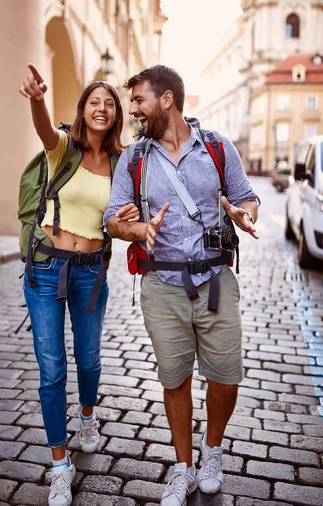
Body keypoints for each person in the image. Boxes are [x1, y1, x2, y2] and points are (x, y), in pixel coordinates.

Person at [104, 65, 260, 506]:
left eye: (138, 100)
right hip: (162, 284)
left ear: (166, 100)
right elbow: (111, 217)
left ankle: (213, 450)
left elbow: (247, 196)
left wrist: (244, 214)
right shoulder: (135, 158)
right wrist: (134, 230)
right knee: (174, 380)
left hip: (215, 280)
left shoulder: (216, 147)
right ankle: (182, 467)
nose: (131, 109)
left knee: (226, 379)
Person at [19, 64, 139, 506]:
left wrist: (132, 224)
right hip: (46, 269)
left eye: (110, 104)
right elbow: (44, 128)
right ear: (83, 109)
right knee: (51, 368)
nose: (102, 109)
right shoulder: (64, 148)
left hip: (91, 273)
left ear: (117, 114)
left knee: (88, 359)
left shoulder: (122, 162)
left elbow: (125, 215)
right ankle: (59, 466)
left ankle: (88, 417)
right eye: (95, 102)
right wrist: (36, 98)